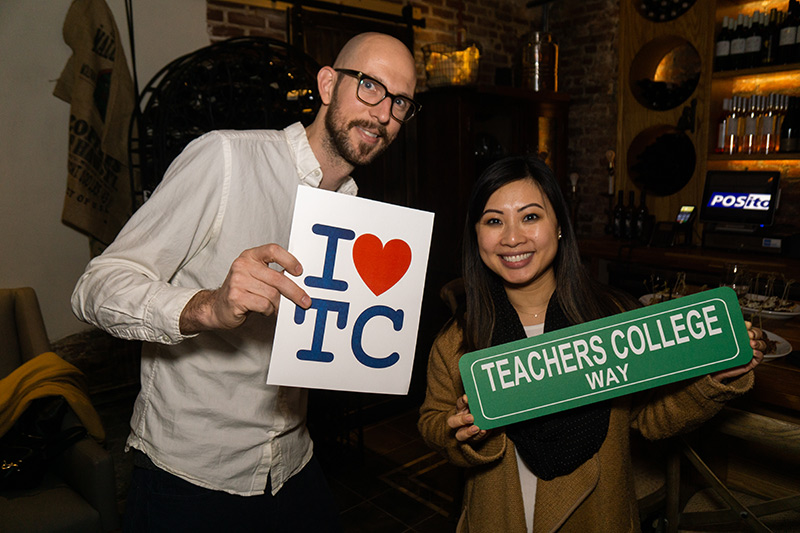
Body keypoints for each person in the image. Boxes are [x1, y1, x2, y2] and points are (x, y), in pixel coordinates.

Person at [71, 32, 419, 532]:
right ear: (327, 84)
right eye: (369, 85)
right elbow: (95, 285)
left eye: (400, 101)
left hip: (293, 461)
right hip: (191, 473)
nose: (383, 113)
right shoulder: (226, 159)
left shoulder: (358, 216)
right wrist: (205, 306)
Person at [417, 155, 766, 533]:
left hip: (598, 516)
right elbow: (432, 419)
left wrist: (714, 380)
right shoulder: (459, 338)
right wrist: (460, 429)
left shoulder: (614, 317)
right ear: (476, 234)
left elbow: (651, 416)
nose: (512, 237)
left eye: (530, 217)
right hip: (497, 517)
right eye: (494, 220)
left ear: (560, 226)